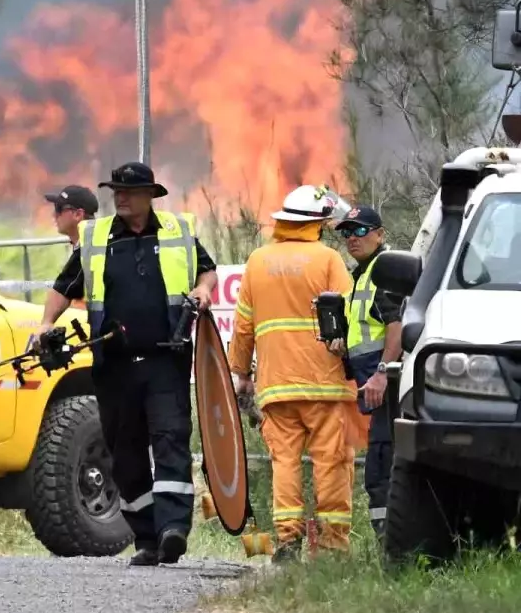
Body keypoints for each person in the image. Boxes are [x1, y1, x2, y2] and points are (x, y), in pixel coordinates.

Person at [39, 162, 218, 566]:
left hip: (165, 360)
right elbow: (62, 288)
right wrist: (46, 324)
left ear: (150, 196)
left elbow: (207, 270)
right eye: (115, 189)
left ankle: (173, 528)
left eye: (127, 190)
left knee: (171, 439)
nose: (119, 196)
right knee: (125, 453)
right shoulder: (96, 238)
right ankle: (147, 537)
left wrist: (203, 290)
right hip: (114, 366)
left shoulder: (178, 231)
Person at [227, 185, 357, 563]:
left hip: (276, 385)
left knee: (284, 464)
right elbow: (348, 319)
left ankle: (287, 541)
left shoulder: (257, 261)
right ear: (317, 222)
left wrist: (241, 374)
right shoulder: (328, 260)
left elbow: (244, 327)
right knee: (331, 462)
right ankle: (333, 546)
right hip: (326, 384)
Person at [335, 205, 402, 541]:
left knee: (381, 470)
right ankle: (388, 547)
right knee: (379, 469)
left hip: (390, 390)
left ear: (380, 234)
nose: (352, 238)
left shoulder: (384, 273)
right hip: (376, 390)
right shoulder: (361, 275)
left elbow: (397, 325)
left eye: (361, 231)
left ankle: (393, 548)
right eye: (347, 232)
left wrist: (381, 373)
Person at [43, 184, 99, 249]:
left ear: (78, 214)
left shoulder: (95, 251)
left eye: (59, 208)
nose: (54, 215)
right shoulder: (86, 247)